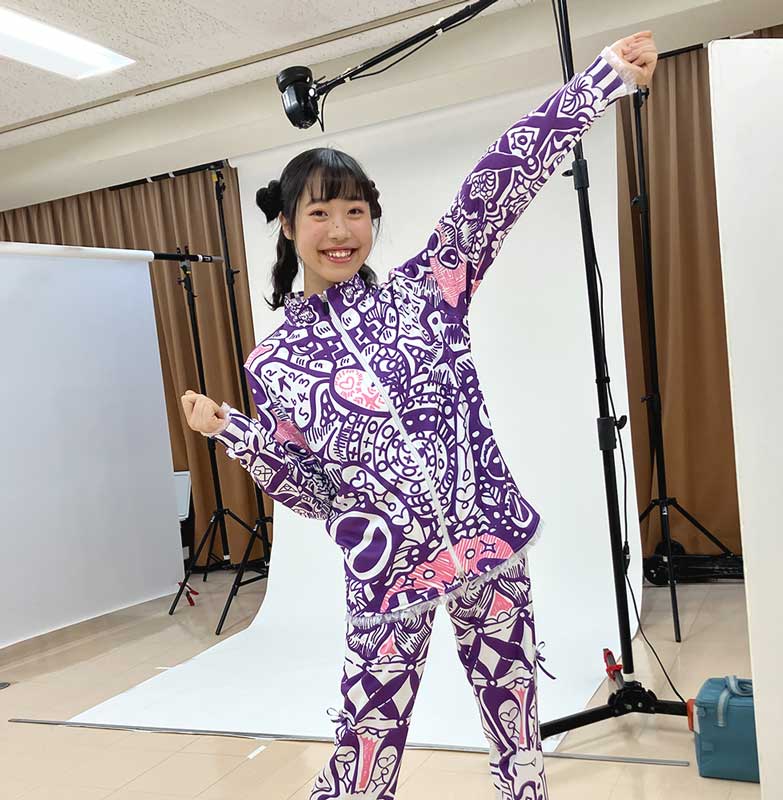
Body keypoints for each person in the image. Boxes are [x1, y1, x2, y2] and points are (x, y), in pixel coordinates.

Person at [182, 31, 658, 800]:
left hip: (488, 542)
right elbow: (311, 491)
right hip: (388, 572)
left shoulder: (427, 290)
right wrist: (232, 431)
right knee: (367, 745)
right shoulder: (276, 363)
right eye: (321, 213)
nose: (341, 230)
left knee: (518, 739)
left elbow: (497, 183)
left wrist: (599, 82)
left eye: (356, 211)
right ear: (289, 226)